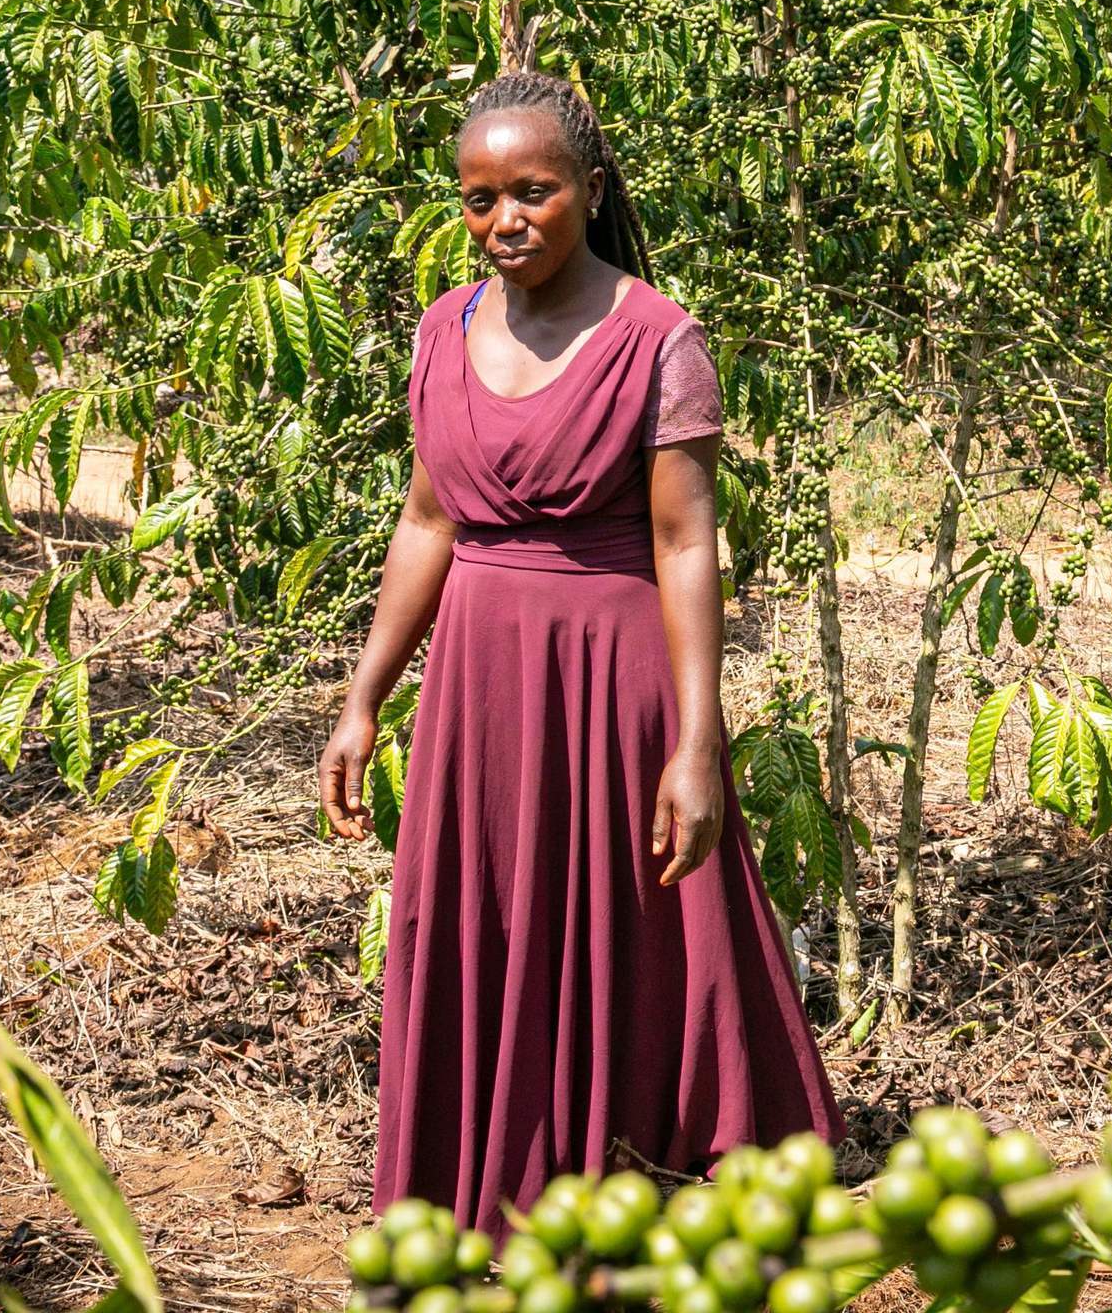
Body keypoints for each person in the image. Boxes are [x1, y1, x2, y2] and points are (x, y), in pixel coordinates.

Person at [317, 69, 845, 1236]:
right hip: (479, 688)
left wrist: (697, 744)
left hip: (616, 683)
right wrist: (364, 698)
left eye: (534, 192)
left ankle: (639, 1186)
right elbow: (428, 522)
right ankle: (491, 1196)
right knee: (490, 924)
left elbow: (686, 545)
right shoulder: (442, 330)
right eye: (480, 198)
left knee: (632, 940)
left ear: (592, 189)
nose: (505, 220)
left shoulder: (658, 339)